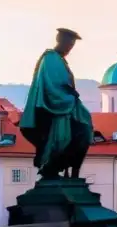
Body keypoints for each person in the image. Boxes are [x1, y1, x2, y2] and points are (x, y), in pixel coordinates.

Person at [19, 28, 93, 179]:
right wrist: (70, 97)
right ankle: (51, 167)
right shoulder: (51, 58)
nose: (69, 49)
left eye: (72, 46)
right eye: (68, 44)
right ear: (60, 40)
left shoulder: (59, 60)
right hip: (54, 108)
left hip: (67, 104)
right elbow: (53, 85)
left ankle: (72, 173)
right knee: (74, 134)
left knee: (85, 129)